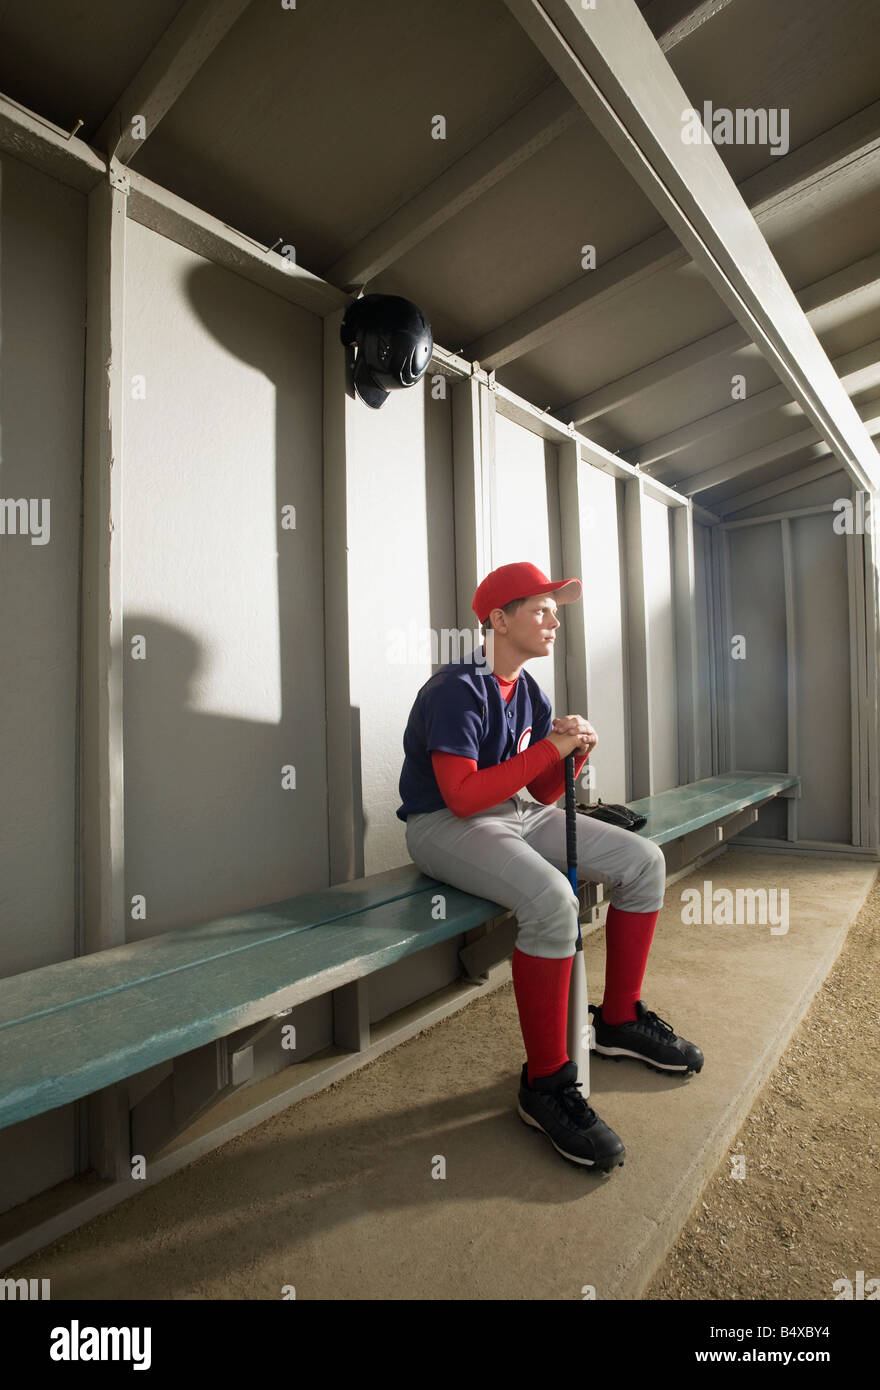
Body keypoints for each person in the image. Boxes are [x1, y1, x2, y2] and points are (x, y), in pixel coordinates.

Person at [396, 561, 703, 1171]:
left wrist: (573, 754)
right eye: (540, 609)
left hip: (513, 815)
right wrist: (548, 749)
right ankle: (545, 1083)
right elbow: (460, 796)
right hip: (443, 827)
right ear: (499, 620)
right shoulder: (456, 688)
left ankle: (617, 1021)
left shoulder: (530, 692)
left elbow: (540, 795)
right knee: (551, 902)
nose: (553, 621)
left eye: (556, 612)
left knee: (643, 861)